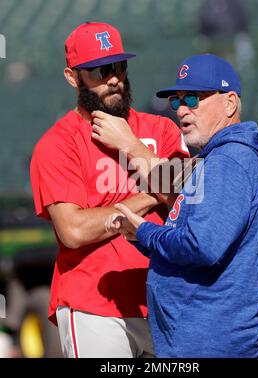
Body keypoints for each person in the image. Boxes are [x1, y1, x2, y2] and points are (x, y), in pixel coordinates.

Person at [102, 54, 258, 357]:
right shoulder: (220, 158)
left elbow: (202, 246)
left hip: (214, 345)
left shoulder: (230, 159)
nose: (182, 108)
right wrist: (140, 237)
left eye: (193, 98)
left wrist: (147, 232)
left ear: (230, 104)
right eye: (176, 101)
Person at [30, 22, 189, 358]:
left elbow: (188, 202)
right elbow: (73, 230)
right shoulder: (58, 144)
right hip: (94, 304)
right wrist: (149, 197)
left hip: (165, 301)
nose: (114, 77)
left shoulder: (161, 129)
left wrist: (131, 145)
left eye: (119, 66)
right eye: (100, 70)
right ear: (73, 77)